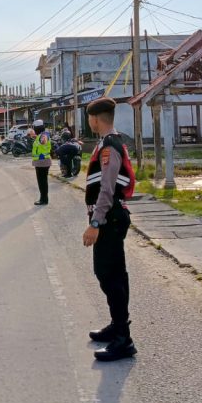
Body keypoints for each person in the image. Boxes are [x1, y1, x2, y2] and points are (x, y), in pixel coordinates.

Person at [82, 97, 137, 361]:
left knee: (110, 274)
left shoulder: (109, 146)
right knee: (110, 273)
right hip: (110, 218)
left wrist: (95, 223)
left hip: (110, 219)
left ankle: (123, 339)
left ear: (94, 119)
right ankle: (117, 327)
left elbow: (107, 188)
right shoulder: (109, 143)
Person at [31, 119, 52, 205]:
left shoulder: (44, 135)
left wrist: (43, 140)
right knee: (43, 181)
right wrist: (35, 137)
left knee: (42, 182)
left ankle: (43, 199)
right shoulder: (41, 135)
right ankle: (44, 198)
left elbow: (44, 141)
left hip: (42, 162)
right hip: (42, 162)